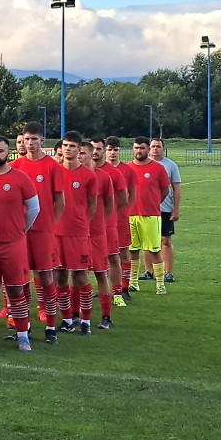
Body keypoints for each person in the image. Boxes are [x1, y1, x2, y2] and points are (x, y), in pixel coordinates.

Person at [0, 135, 40, 352]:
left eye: (0, 151)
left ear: (8, 153)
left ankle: (23, 335)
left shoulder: (21, 178)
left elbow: (34, 209)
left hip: (13, 245)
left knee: (15, 291)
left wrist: (20, 230)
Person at [12, 121, 65, 343]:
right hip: (20, 232)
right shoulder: (17, 166)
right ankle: (23, 327)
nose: (30, 143)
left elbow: (59, 201)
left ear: (43, 141)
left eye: (34, 139)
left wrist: (50, 225)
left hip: (43, 232)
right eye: (27, 139)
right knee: (20, 279)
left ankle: (51, 326)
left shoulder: (52, 166)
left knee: (45, 276)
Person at [54, 131, 98, 335]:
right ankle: (67, 319)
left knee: (80, 277)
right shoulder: (54, 172)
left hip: (78, 233)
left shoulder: (88, 175)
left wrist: (81, 223)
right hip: (56, 233)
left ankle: (86, 321)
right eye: (65, 145)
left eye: (72, 146)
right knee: (60, 277)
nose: (68, 149)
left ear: (79, 149)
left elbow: (92, 205)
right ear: (61, 148)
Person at [128, 136, 171, 295]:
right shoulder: (127, 168)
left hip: (151, 216)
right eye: (136, 148)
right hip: (131, 214)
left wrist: (154, 203)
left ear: (147, 150)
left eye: (142, 148)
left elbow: (165, 189)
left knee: (154, 250)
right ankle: (133, 282)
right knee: (132, 250)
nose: (139, 151)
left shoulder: (158, 168)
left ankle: (160, 284)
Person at [92, 137, 128, 319]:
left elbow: (122, 199)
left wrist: (108, 215)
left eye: (98, 148)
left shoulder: (112, 173)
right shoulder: (85, 172)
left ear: (104, 150)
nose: (95, 152)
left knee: (114, 257)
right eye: (92, 148)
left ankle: (118, 293)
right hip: (88, 227)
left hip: (109, 224)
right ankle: (99, 292)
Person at [83, 140, 115, 329]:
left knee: (101, 273)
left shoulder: (103, 177)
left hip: (96, 233)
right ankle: (75, 315)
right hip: (76, 234)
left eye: (83, 153)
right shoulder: (67, 175)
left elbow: (111, 205)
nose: (80, 156)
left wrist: (99, 223)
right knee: (77, 274)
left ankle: (106, 316)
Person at [105, 136, 138, 301]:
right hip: (102, 220)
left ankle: (124, 288)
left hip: (120, 218)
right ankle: (107, 288)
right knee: (104, 254)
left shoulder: (127, 170)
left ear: (120, 151)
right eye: (109, 149)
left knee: (124, 253)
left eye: (115, 150)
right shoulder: (99, 169)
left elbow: (131, 196)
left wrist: (122, 210)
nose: (112, 153)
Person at [149, 139, 182, 284]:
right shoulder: (143, 164)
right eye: (153, 147)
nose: (155, 149)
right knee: (147, 242)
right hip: (146, 209)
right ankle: (149, 272)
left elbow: (176, 189)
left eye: (158, 147)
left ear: (163, 149)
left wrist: (175, 210)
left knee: (165, 241)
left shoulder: (171, 165)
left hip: (165, 208)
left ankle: (168, 273)